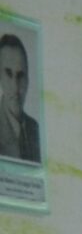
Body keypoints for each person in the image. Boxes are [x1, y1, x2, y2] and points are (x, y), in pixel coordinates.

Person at [0, 31, 40, 163]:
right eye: (8, 73)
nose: (15, 87)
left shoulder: (36, 129)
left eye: (20, 75)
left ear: (28, 79)